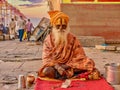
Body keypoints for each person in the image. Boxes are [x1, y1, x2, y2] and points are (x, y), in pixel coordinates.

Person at [38, 11, 100, 80]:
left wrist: (65, 66)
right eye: (58, 26)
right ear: (54, 26)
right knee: (47, 71)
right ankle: (64, 74)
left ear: (67, 26)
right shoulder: (48, 40)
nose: (61, 28)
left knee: (89, 63)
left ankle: (63, 74)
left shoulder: (73, 38)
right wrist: (58, 67)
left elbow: (80, 55)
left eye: (64, 26)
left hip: (70, 65)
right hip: (55, 66)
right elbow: (46, 59)